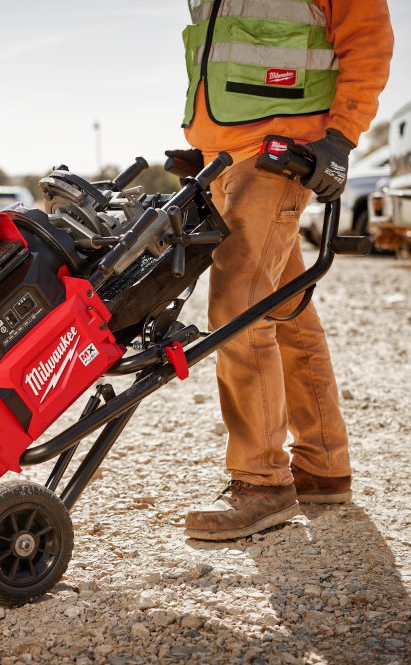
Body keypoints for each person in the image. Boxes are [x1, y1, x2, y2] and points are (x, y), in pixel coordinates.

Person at [175, 0, 394, 540]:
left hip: (278, 153)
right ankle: (323, 467)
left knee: (239, 308)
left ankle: (262, 483)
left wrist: (340, 138)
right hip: (224, 156)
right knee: (286, 311)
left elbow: (367, 38)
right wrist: (203, 145)